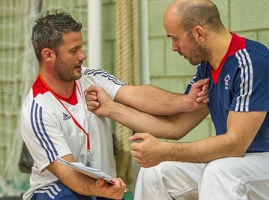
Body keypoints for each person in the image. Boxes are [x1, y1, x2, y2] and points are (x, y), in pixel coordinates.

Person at [85, 0, 269, 199]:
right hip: (237, 163)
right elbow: (176, 126)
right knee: (156, 171)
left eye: (175, 38)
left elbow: (235, 144)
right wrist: (111, 109)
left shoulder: (251, 63)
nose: (173, 47)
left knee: (220, 171)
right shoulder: (207, 68)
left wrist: (165, 151)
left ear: (198, 33)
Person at [19, 10, 209, 200]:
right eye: (73, 50)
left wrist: (186, 101)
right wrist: (102, 190)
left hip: (102, 186)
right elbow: (68, 174)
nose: (82, 55)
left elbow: (137, 95)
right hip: (56, 188)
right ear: (48, 55)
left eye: (81, 47)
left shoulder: (93, 77)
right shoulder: (38, 109)